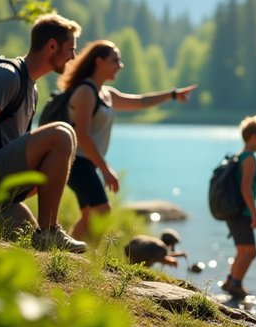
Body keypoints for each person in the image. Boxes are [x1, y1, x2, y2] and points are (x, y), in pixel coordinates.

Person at [0, 13, 87, 253]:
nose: (73, 56)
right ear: (51, 46)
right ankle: (49, 231)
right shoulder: (7, 76)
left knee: (34, 245)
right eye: (70, 49)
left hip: (2, 192)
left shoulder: (31, 88)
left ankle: (43, 234)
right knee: (62, 133)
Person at [55, 39, 197, 240]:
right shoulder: (86, 92)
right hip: (77, 162)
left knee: (89, 214)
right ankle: (88, 258)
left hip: (88, 162)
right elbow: (82, 135)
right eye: (115, 60)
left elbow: (141, 102)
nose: (120, 66)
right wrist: (105, 169)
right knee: (102, 211)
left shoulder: (106, 94)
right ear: (99, 62)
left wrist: (172, 95)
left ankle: (69, 253)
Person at [221, 115, 256, 299]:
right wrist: (254, 213)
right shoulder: (249, 158)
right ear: (253, 137)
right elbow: (245, 188)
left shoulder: (238, 155)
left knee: (243, 250)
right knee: (251, 251)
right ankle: (235, 284)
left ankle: (230, 281)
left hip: (232, 211)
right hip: (241, 212)